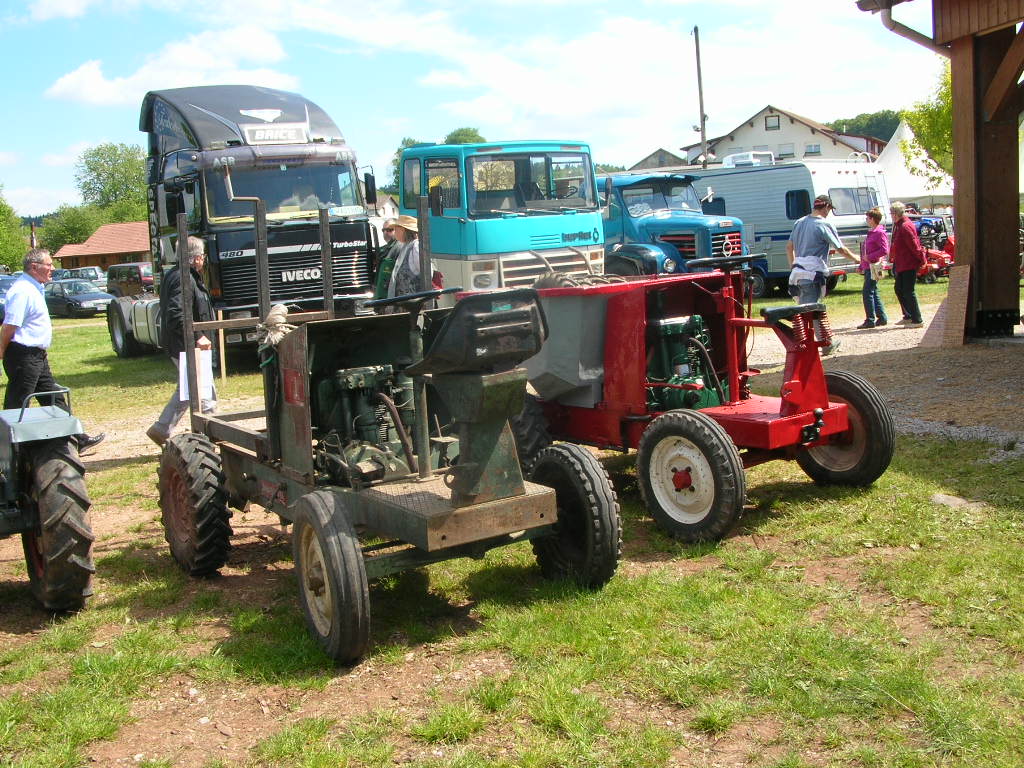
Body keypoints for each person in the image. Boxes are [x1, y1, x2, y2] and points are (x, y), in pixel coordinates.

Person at [0, 248, 104, 454]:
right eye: (49, 265)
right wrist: (2, 350)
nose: (52, 268)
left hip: (36, 356)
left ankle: (78, 438)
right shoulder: (22, 290)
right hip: (23, 355)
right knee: (18, 402)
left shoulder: (34, 287)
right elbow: (10, 326)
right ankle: (7, 451)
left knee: (54, 396)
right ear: (34, 267)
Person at [146, 237, 217, 446]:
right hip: (186, 344)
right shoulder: (182, 278)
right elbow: (177, 314)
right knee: (201, 389)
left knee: (190, 389)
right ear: (195, 258)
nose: (203, 260)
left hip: (185, 344)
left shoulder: (182, 276)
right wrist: (198, 336)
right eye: (202, 256)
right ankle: (212, 430)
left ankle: (162, 428)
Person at [786, 194, 858, 354]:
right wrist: (856, 258)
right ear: (826, 207)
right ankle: (807, 347)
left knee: (811, 310)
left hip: (797, 273)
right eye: (830, 209)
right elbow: (840, 248)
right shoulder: (823, 224)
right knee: (810, 311)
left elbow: (789, 247)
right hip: (812, 273)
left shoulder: (799, 222)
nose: (829, 213)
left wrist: (794, 266)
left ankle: (826, 343)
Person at [889, 201, 926, 328]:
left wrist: (922, 259)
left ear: (896, 213)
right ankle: (909, 315)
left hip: (909, 263)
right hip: (902, 263)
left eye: (892, 213)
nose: (891, 215)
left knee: (908, 291)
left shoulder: (905, 226)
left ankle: (917, 319)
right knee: (899, 289)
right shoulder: (899, 225)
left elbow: (914, 245)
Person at [857, 207, 889, 329]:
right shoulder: (872, 232)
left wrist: (870, 257)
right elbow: (866, 251)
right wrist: (861, 265)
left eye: (868, 218)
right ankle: (882, 317)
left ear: (873, 219)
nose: (866, 219)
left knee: (867, 292)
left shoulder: (879, 233)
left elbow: (884, 250)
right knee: (873, 291)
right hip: (868, 266)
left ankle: (870, 319)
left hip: (874, 266)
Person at [372, 218, 398, 300]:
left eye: (389, 230)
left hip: (391, 294)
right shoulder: (386, 248)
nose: (385, 232)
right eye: (383, 230)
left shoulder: (398, 246)